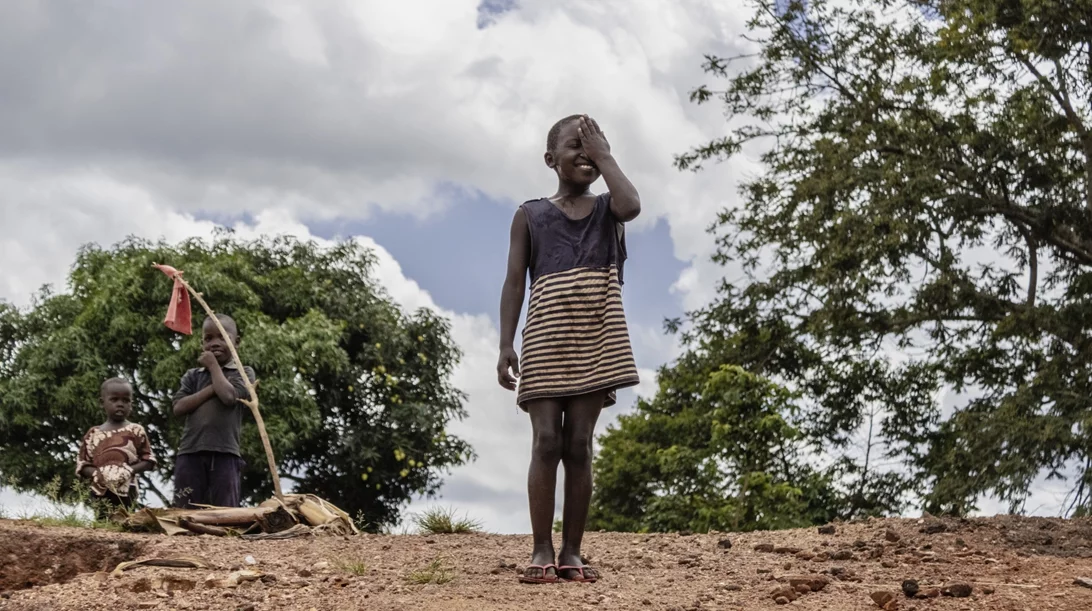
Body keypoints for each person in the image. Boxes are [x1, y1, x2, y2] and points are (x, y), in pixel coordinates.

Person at [498, 114, 641, 584]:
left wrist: (605, 155)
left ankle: (572, 551)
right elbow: (514, 282)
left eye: (594, 147)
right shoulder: (530, 215)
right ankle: (541, 547)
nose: (586, 154)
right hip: (544, 337)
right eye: (575, 146)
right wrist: (505, 343)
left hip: (596, 336)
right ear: (549, 159)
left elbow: (633, 204)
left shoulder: (608, 208)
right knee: (546, 441)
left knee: (579, 443)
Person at [171, 314, 255, 509]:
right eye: (208, 339)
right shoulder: (193, 376)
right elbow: (178, 407)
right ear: (202, 343)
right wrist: (210, 390)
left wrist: (213, 366)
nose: (215, 343)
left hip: (225, 453)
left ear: (237, 342)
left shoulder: (244, 373)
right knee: (184, 510)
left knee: (225, 511)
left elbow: (228, 397)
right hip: (190, 452)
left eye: (222, 338)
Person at [76, 377, 157, 520]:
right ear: (102, 403)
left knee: (124, 519)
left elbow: (149, 460)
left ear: (131, 404)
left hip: (127, 488)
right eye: (114, 400)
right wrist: (99, 474)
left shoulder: (136, 431)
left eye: (126, 401)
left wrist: (128, 471)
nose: (120, 405)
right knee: (103, 520)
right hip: (100, 489)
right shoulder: (93, 434)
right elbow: (82, 465)